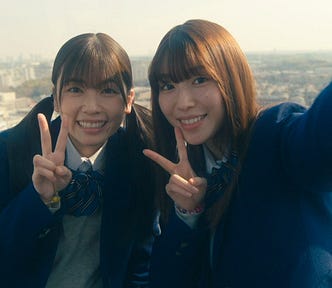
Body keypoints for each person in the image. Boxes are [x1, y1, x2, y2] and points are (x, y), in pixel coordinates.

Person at [143, 19, 332, 288]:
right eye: (168, 86)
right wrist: (188, 212)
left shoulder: (273, 136)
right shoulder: (185, 172)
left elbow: (320, 138)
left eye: (199, 79)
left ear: (231, 79)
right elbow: (166, 281)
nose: (183, 102)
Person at [0, 32, 156, 288]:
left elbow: (139, 262)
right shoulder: (11, 152)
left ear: (128, 100)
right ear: (57, 98)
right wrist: (39, 199)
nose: (91, 106)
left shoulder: (139, 160)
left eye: (107, 90)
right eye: (75, 89)